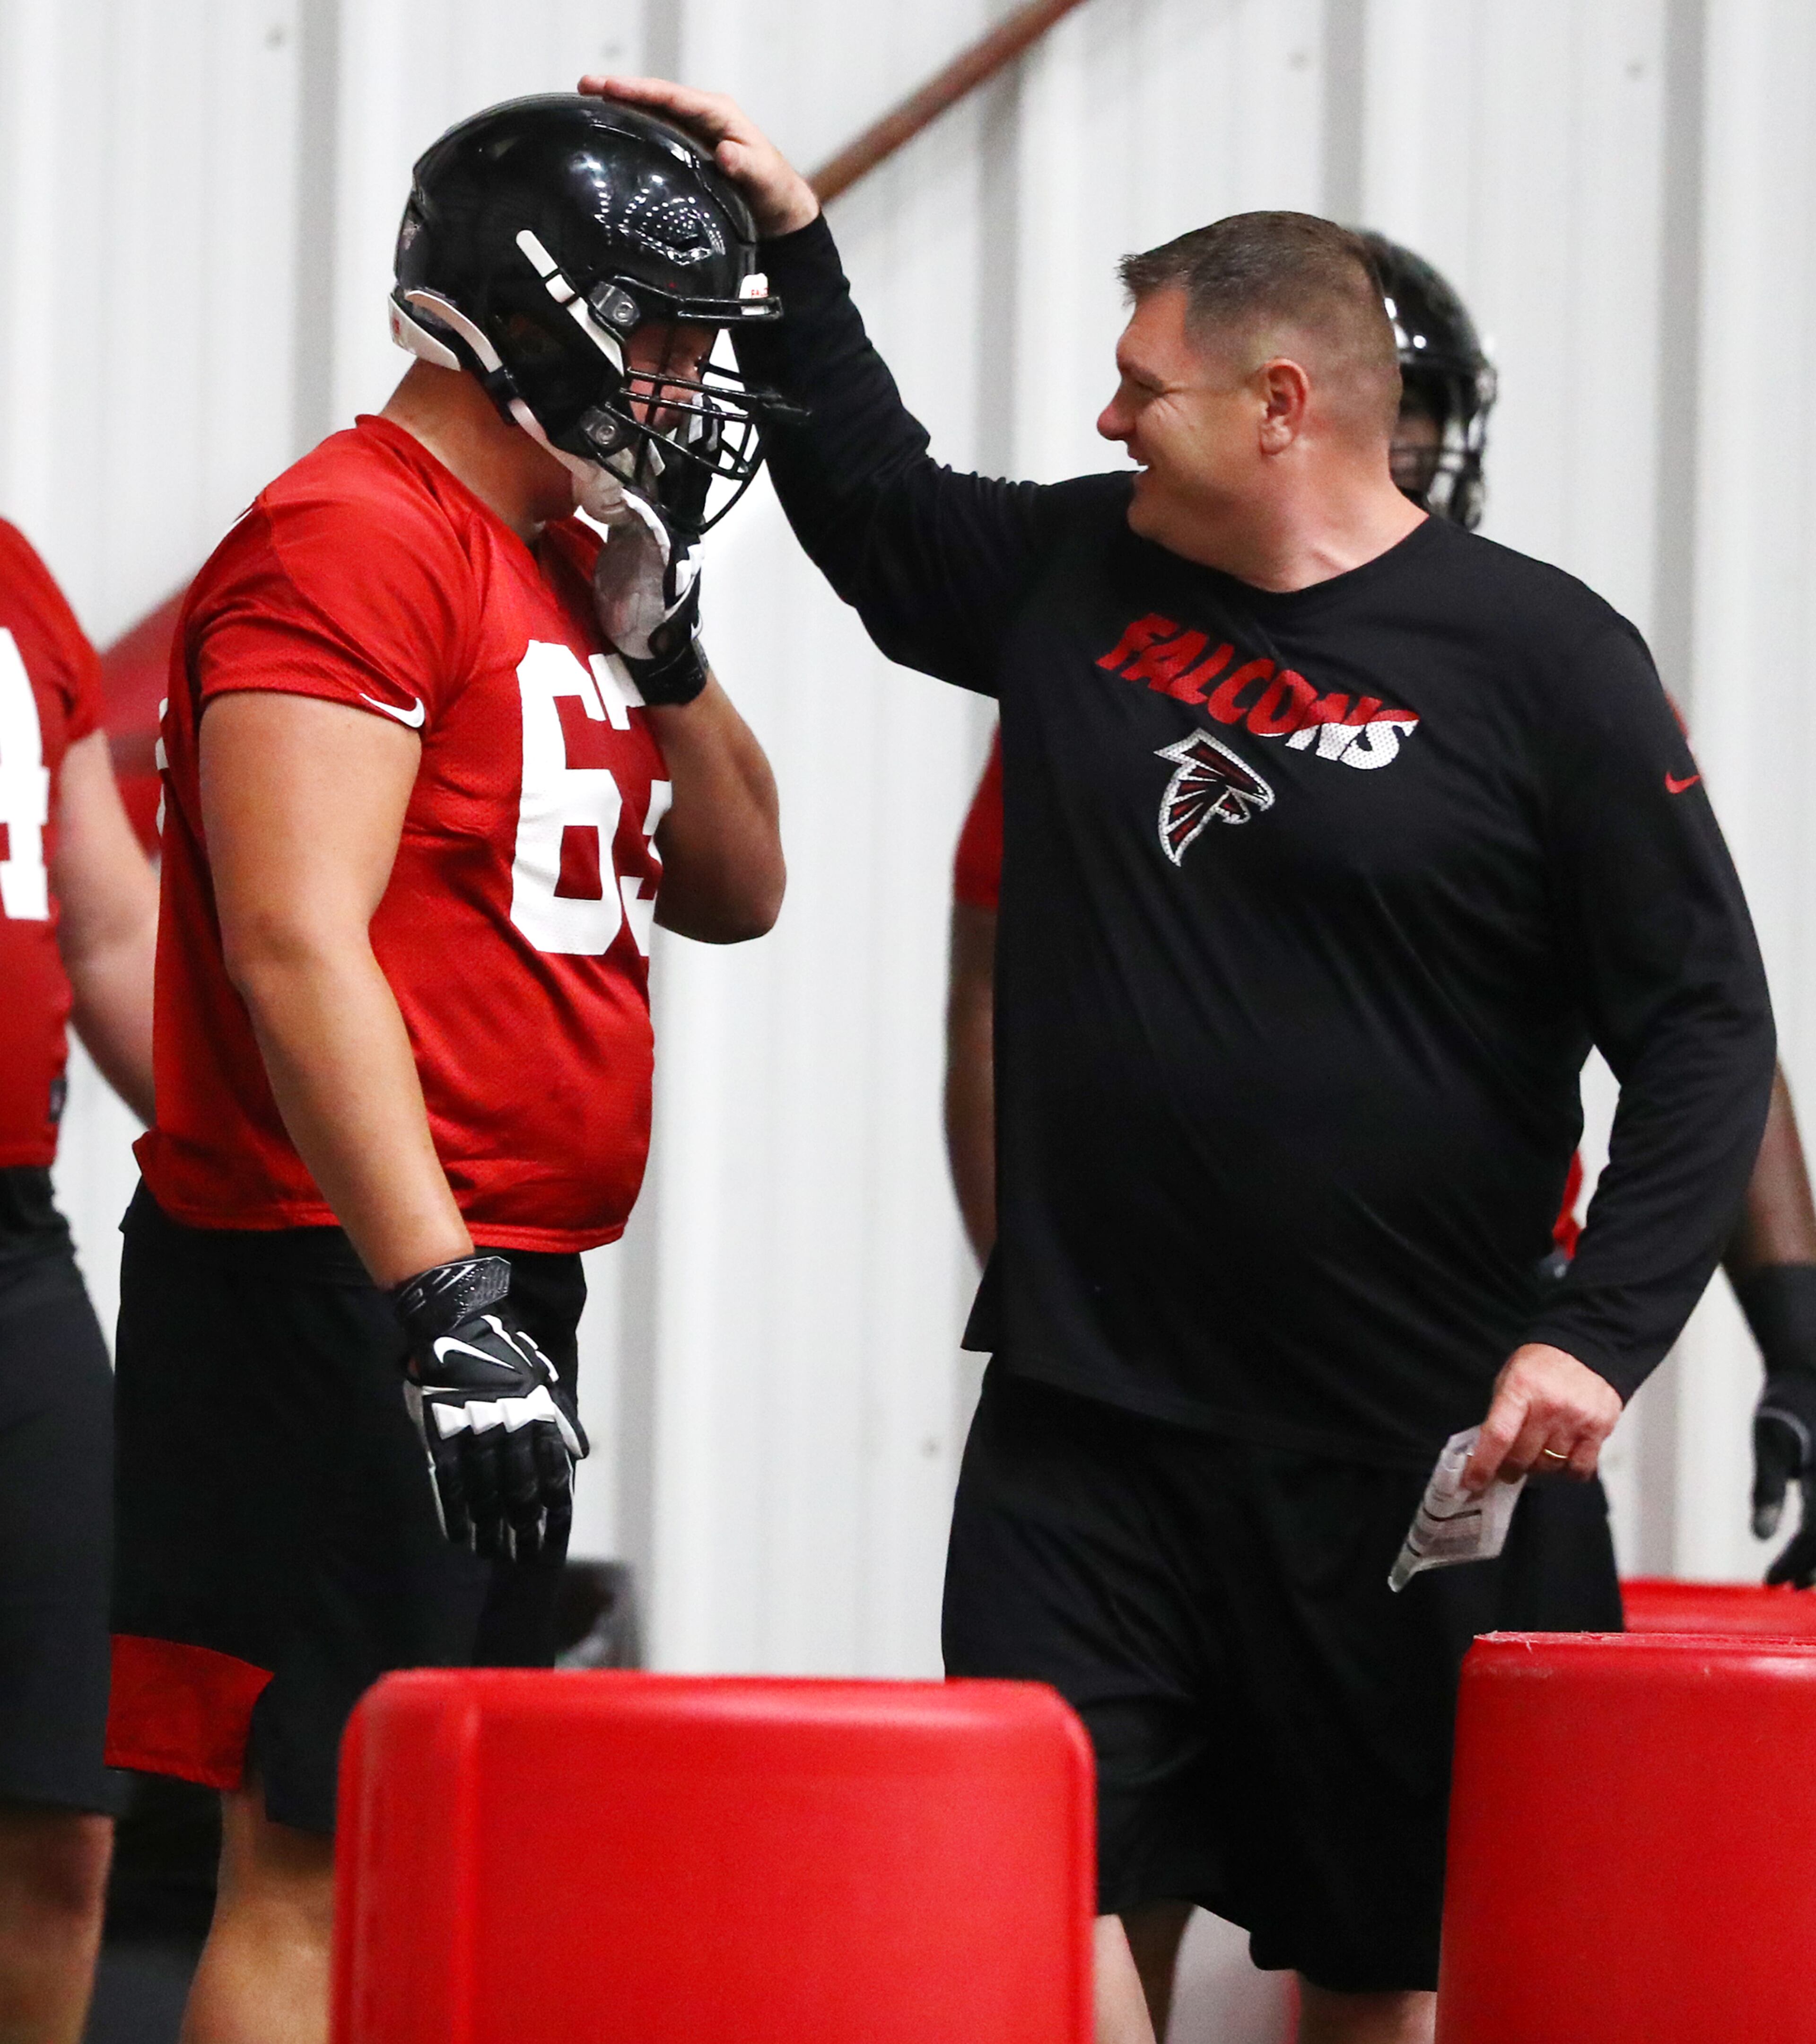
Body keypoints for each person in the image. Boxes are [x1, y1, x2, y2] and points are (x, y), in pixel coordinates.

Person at [585, 76, 1777, 2044]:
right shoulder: (1083, 580)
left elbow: (1709, 1023)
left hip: (1406, 1446)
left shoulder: (1546, 662)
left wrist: (1605, 1327)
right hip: (1092, 1418)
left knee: (1373, 1963)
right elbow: (878, 509)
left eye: (1146, 385)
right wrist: (794, 246)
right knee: (1043, 1887)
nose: (1107, 416)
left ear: (1284, 405)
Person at [104, 94, 789, 2044]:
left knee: (415, 1821)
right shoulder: (349, 533)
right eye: (657, 331)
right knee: (310, 1843)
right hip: (344, 1273)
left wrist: (670, 659)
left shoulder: (567, 552)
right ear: (530, 307)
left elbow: (741, 884)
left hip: (484, 1272)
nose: (680, 383)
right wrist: (440, 1304)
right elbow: (293, 935)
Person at [0, 519, 158, 2044]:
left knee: (58, 1803)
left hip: (11, 1248)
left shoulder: (7, 574)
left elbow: (107, 926)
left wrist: (309, 1159)